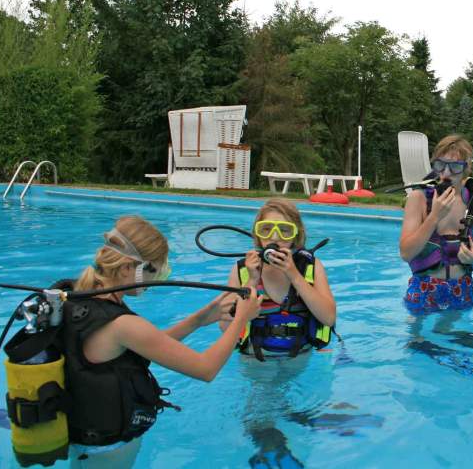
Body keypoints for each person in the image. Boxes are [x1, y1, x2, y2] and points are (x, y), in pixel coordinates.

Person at [63, 215, 263, 468]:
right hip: (108, 449)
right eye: (155, 271)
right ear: (128, 269)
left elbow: (148, 345)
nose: (156, 280)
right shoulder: (123, 324)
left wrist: (199, 319)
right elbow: (206, 368)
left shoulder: (82, 298)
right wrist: (241, 319)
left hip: (86, 438)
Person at [221, 198, 336, 359]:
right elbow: (225, 327)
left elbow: (329, 318)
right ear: (257, 234)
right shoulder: (242, 270)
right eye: (266, 229)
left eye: (284, 230)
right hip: (255, 360)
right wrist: (252, 282)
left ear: (296, 235)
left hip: (299, 358)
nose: (275, 237)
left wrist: (295, 276)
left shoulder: (311, 267)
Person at [399, 134, 473, 313]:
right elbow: (406, 253)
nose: (446, 173)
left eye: (455, 167)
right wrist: (434, 215)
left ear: (467, 169)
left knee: (462, 339)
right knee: (421, 341)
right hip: (424, 291)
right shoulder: (418, 199)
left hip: (463, 291)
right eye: (440, 165)